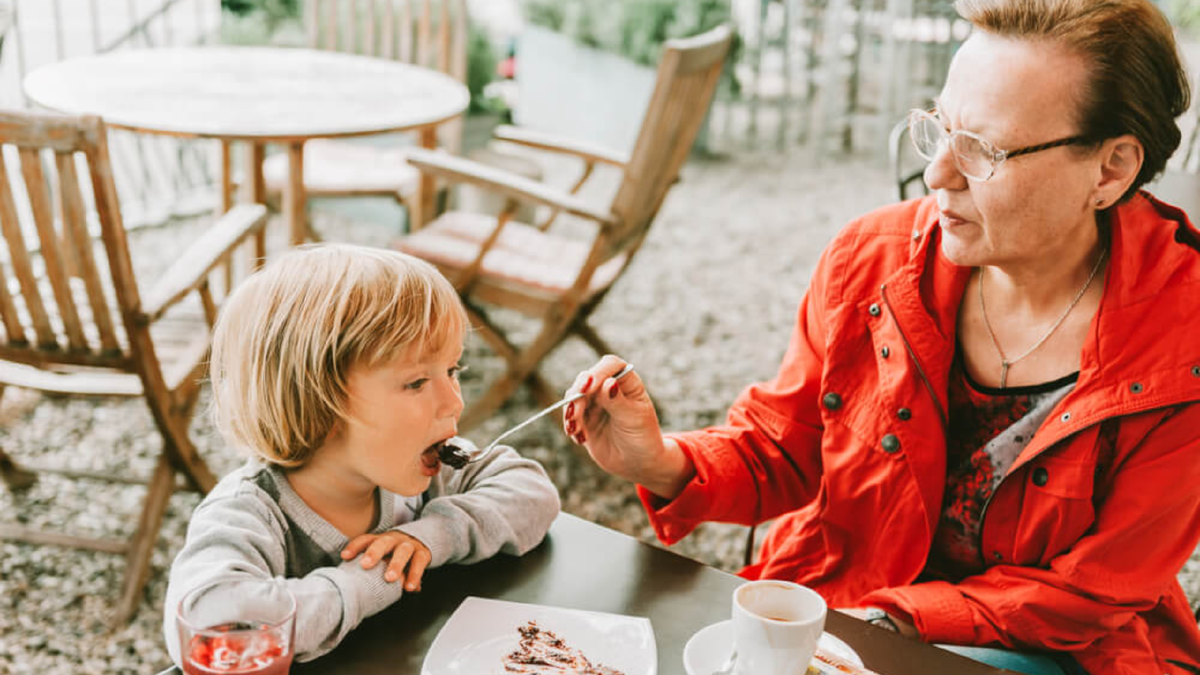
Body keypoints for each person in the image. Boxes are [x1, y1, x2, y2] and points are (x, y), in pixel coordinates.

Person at [563, 0, 1200, 673]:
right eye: (939, 129)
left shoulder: (1182, 341)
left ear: (1109, 170)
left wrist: (891, 620)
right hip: (854, 606)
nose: (937, 175)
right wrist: (656, 458)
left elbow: (1091, 592)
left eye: (982, 150)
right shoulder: (871, 257)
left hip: (1053, 647)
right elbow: (785, 447)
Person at [163, 245, 560, 666]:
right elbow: (209, 619)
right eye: (416, 382)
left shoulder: (427, 473)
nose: (453, 403)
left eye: (452, 371)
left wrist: (431, 537)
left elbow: (532, 493)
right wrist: (371, 579)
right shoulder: (250, 512)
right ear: (319, 400)